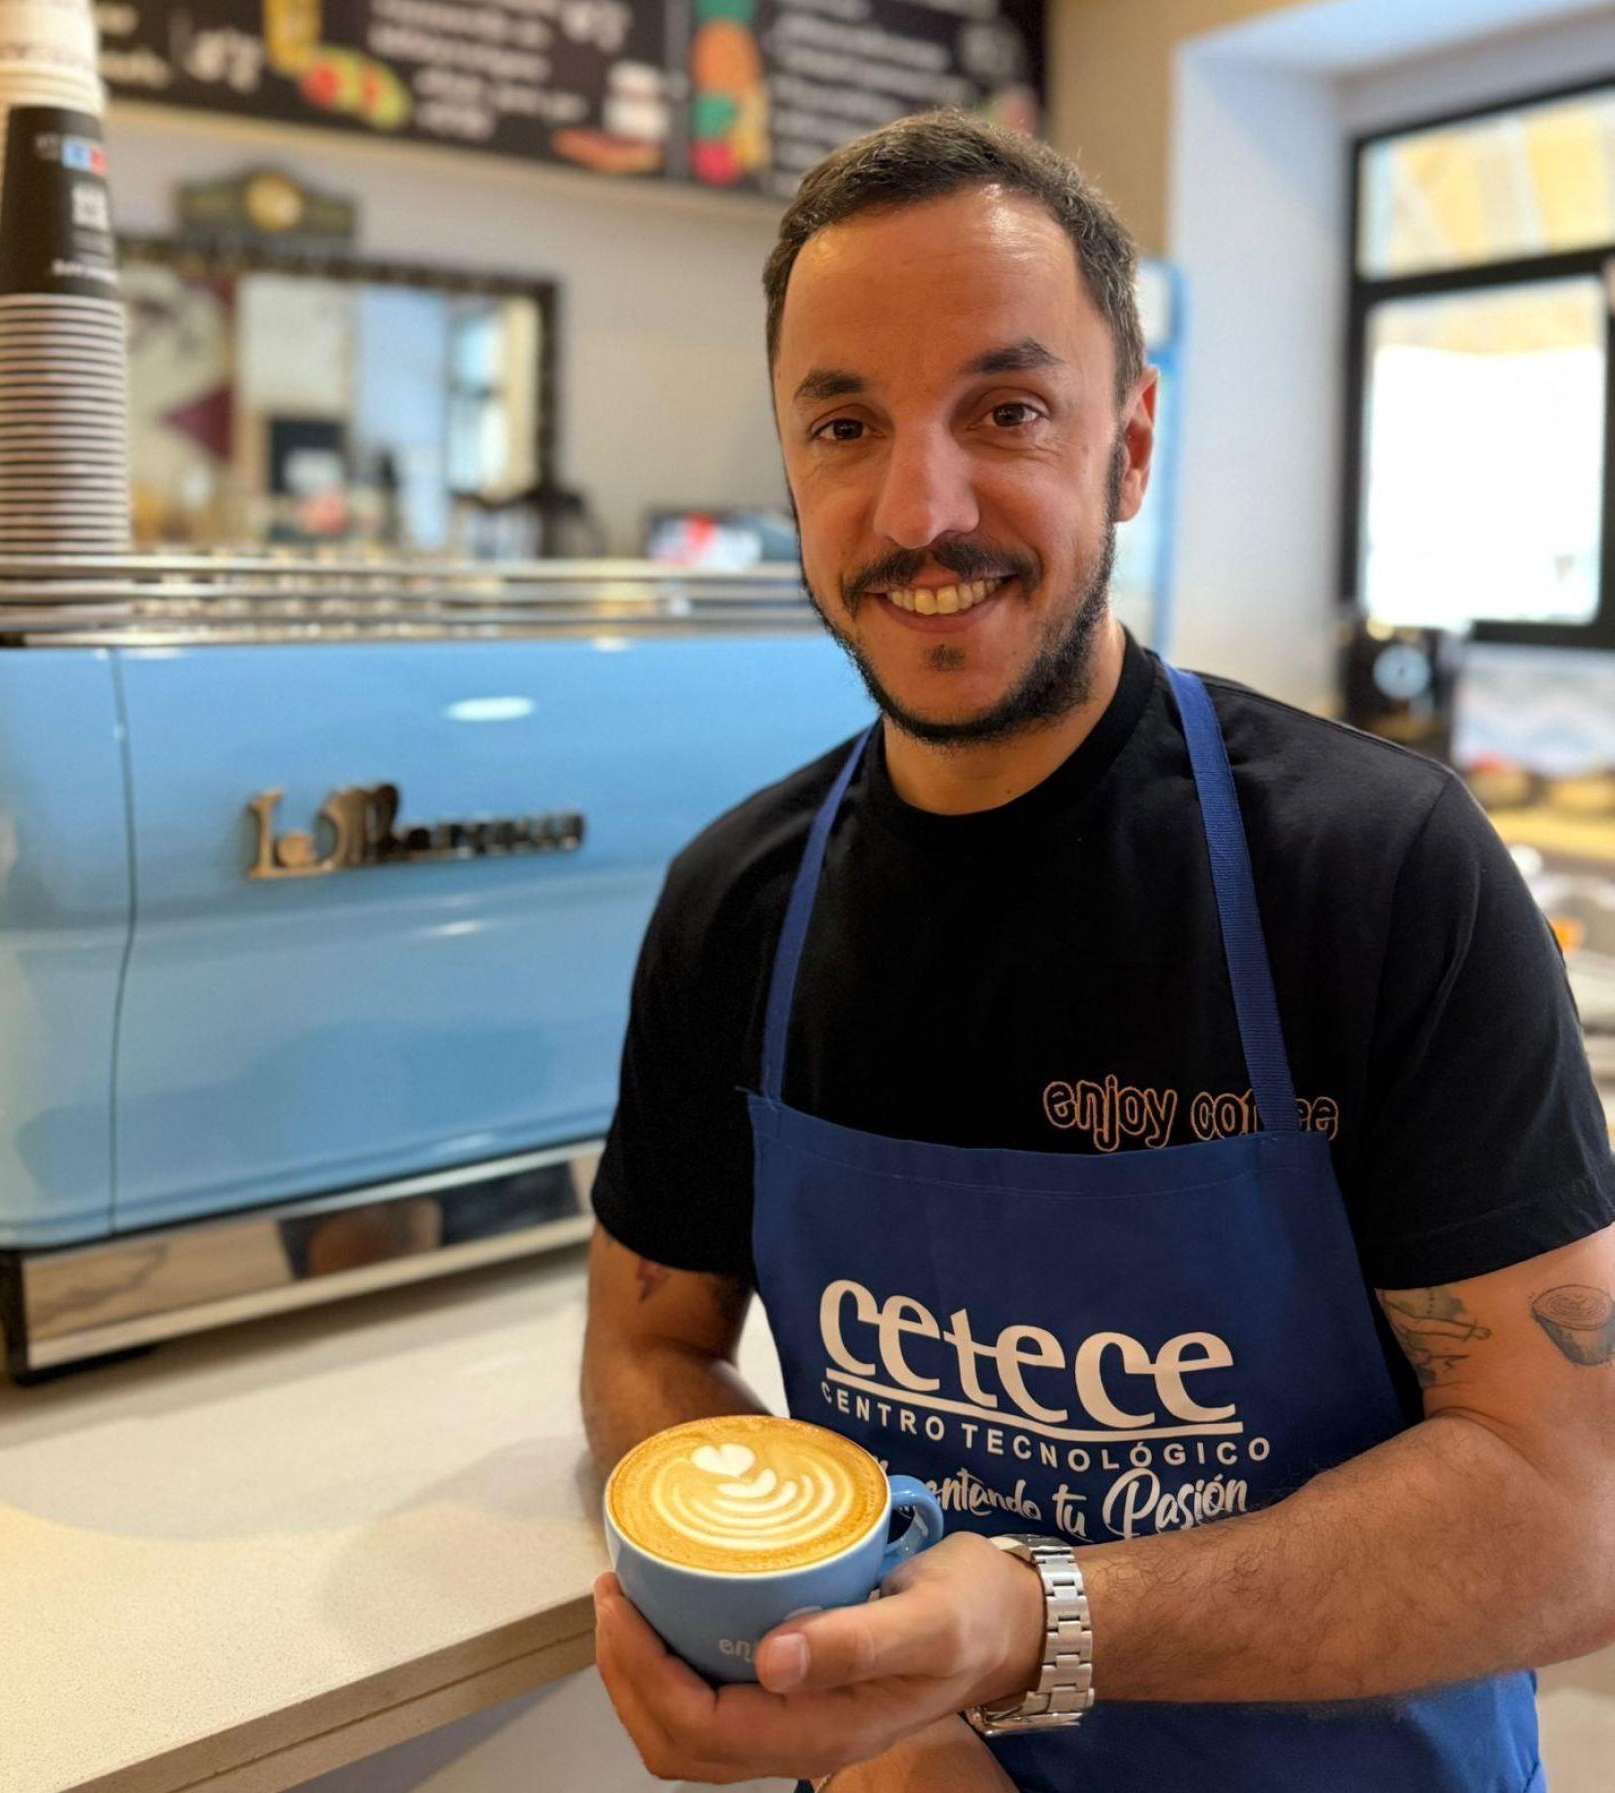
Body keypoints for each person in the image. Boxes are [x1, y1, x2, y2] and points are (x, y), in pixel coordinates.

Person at [580, 108, 1615, 1793]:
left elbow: (1572, 1512)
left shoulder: (1372, 870)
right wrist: (799, 1639)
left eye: (1006, 411)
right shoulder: (737, 908)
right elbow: (642, 1340)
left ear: (1127, 446)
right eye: (845, 423)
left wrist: (1028, 1627)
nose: (920, 508)